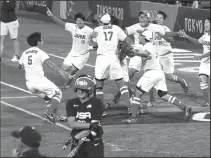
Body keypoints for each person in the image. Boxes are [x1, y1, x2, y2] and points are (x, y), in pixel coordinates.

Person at [113, 10, 185, 105]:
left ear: (148, 18)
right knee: (130, 73)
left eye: (144, 17)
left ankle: (151, 99)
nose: (141, 19)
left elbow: (166, 34)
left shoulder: (155, 27)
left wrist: (177, 33)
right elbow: (123, 32)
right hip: (137, 53)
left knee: (152, 74)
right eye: (140, 17)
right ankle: (121, 93)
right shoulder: (135, 27)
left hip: (150, 53)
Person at [122, 30, 192, 124]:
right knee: (164, 95)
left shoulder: (148, 46)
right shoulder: (148, 46)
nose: (139, 37)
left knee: (137, 93)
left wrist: (136, 53)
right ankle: (185, 107)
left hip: (151, 74)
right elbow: (140, 53)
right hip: (159, 73)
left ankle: (133, 117)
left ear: (145, 38)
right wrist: (133, 52)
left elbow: (147, 54)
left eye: (141, 36)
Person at [90, 13, 136, 115]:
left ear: (102, 22)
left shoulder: (97, 30)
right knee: (121, 84)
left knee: (99, 86)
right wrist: (128, 49)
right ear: (110, 21)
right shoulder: (116, 28)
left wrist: (91, 38)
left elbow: (93, 44)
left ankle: (100, 111)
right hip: (114, 58)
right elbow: (127, 40)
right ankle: (130, 108)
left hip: (102, 58)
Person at [18, 32, 68, 123]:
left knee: (47, 98)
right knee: (58, 94)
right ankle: (50, 113)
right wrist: (62, 72)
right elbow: (49, 63)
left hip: (29, 85)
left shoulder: (25, 53)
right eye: (41, 39)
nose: (43, 41)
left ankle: (58, 116)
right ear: (38, 42)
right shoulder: (40, 52)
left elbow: (19, 66)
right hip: (39, 82)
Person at [147, 10, 188, 107]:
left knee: (169, 77)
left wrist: (162, 35)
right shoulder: (152, 29)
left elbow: (170, 40)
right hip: (156, 57)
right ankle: (152, 100)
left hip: (166, 55)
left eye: (160, 18)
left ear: (163, 20)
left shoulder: (165, 29)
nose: (158, 19)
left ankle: (182, 81)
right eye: (157, 17)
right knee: (152, 76)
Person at [46, 8, 94, 88]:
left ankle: (67, 83)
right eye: (77, 21)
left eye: (80, 20)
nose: (79, 22)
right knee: (64, 68)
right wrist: (52, 16)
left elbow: (96, 41)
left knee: (72, 71)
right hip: (73, 53)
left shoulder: (90, 30)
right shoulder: (72, 27)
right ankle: (71, 75)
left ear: (83, 20)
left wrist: (91, 47)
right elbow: (61, 23)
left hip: (83, 55)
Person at [66, 74, 105, 157]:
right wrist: (89, 125)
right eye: (78, 89)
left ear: (90, 90)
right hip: (76, 143)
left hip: (94, 144)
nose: (80, 91)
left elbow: (94, 129)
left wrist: (77, 136)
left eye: (83, 89)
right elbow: (72, 123)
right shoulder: (71, 103)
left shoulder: (97, 103)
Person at [179, 17, 210, 107]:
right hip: (205, 63)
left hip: (205, 59)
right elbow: (197, 42)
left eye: (207, 22)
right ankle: (207, 102)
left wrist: (201, 56)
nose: (205, 25)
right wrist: (187, 36)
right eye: (204, 23)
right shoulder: (205, 35)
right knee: (202, 80)